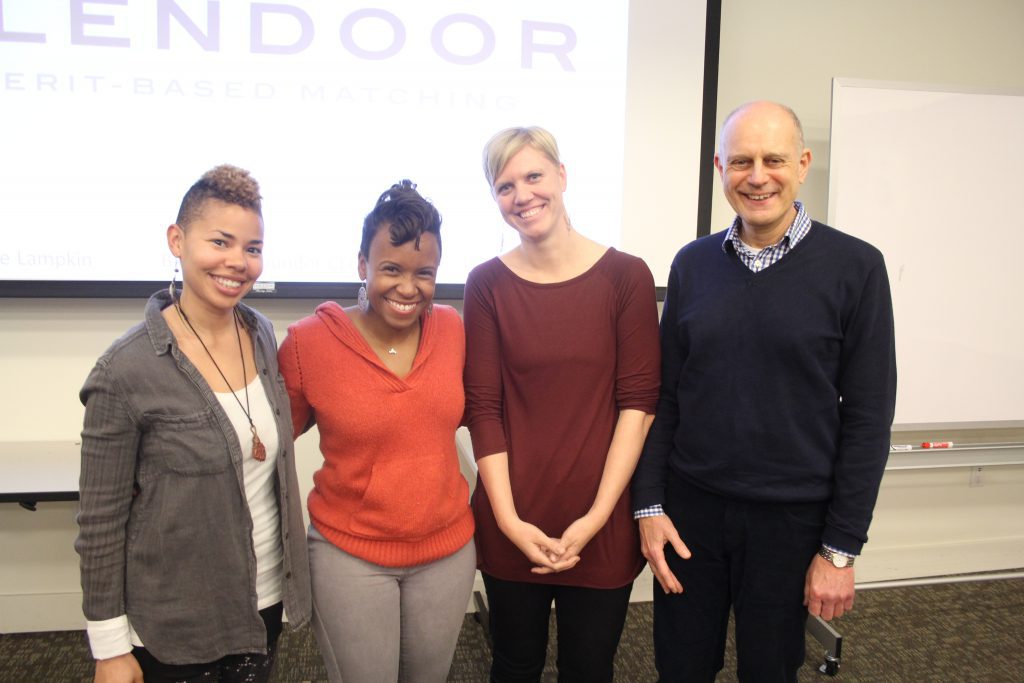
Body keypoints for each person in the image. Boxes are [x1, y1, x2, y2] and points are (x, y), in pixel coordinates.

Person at [631, 100, 897, 681]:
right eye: (741, 161)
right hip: (690, 514)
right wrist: (649, 505)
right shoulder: (693, 264)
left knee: (770, 671)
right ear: (719, 166)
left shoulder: (856, 268)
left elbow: (869, 420)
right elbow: (666, 398)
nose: (757, 176)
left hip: (792, 523)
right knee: (679, 667)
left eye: (774, 159)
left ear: (802, 164)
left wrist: (839, 550)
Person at [75, 164, 311, 683]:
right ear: (177, 240)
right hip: (178, 626)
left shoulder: (263, 334)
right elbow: (99, 524)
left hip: (264, 602)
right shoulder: (125, 370)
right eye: (220, 242)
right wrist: (110, 649)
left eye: (252, 248)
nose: (238, 262)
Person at [463, 126, 661, 682]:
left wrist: (597, 517)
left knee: (589, 668)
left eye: (533, 176)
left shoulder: (626, 276)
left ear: (562, 176)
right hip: (513, 518)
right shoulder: (486, 284)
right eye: (505, 186)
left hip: (601, 522)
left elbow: (638, 405)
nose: (522, 195)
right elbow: (483, 409)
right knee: (514, 664)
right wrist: (507, 520)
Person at [277, 180, 476, 683]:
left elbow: (487, 415)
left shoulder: (454, 330)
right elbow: (269, 448)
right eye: (391, 269)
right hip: (350, 556)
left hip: (447, 555)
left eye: (423, 273)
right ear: (362, 265)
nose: (408, 288)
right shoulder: (308, 343)